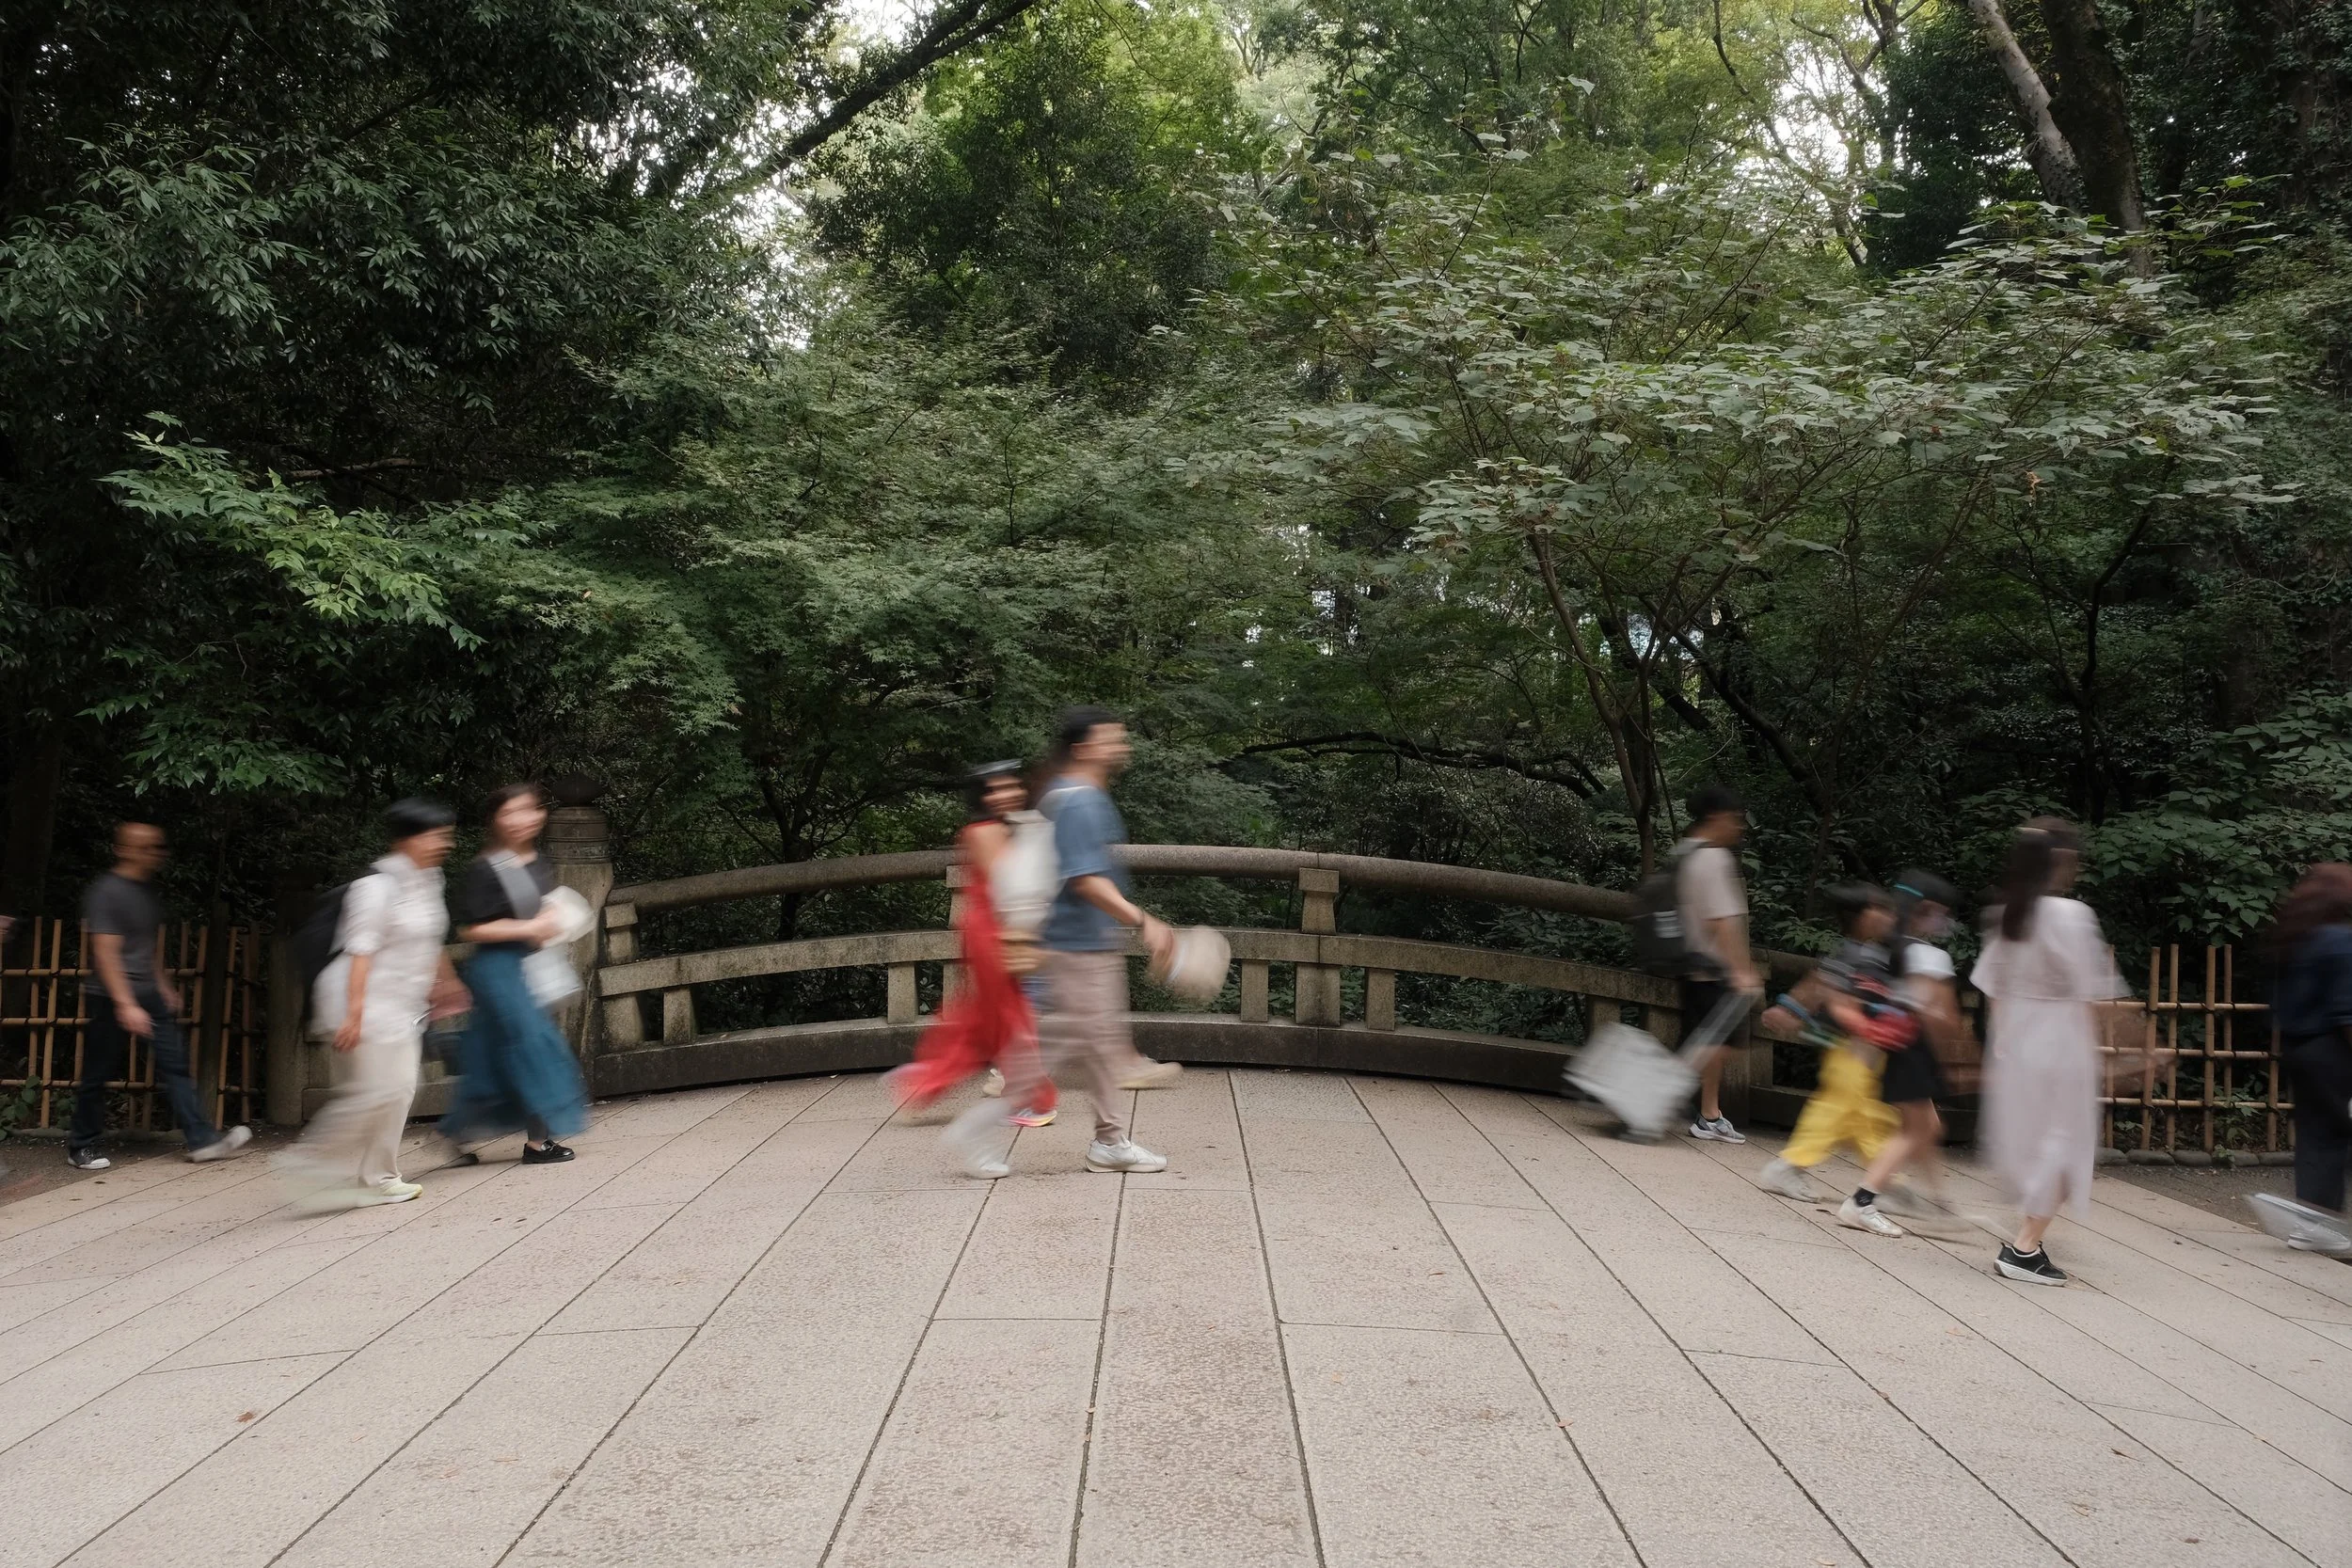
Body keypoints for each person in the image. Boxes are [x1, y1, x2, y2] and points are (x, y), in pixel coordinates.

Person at [282, 800, 467, 1208]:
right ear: (406, 841)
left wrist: (448, 982)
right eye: (435, 836)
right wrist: (354, 1014)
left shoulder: (430, 879)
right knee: (380, 1092)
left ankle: (373, 1176)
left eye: (445, 836)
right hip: (359, 1000)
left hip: (399, 1004)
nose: (444, 844)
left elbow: (431, 937)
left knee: (388, 1090)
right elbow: (360, 951)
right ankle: (313, 1165)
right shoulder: (375, 888)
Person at [1974, 816, 2127, 1286]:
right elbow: (2094, 993)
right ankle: (2024, 1247)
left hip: (2017, 1039)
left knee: (2037, 1140)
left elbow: (1992, 988)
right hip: (2061, 1039)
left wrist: (2002, 1045)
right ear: (2061, 860)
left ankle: (2027, 1240)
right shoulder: (2071, 916)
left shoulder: (2005, 916)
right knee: (2067, 1142)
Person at [887, 764, 1059, 1179]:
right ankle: (1034, 1097)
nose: (1005, 795)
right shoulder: (983, 831)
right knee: (1007, 1016)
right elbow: (1012, 885)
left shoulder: (1008, 826)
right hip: (994, 932)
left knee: (981, 1017)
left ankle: (924, 1081)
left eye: (1011, 786)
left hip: (1003, 929)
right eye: (994, 790)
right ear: (981, 796)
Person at [1036, 707, 1175, 1174]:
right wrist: (1145, 922)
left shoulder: (1075, 794)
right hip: (1077, 942)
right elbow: (1085, 880)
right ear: (1083, 748)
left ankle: (1109, 1141)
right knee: (1086, 1042)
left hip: (1080, 939)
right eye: (1111, 738)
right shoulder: (1078, 800)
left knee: (1094, 1042)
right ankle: (1106, 1141)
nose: (1121, 745)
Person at [68, 823, 250, 1170]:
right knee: (98, 1071)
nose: (152, 854)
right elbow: (105, 952)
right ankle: (80, 1146)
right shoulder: (107, 891)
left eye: (155, 847)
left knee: (175, 1064)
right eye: (144, 847)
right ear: (122, 849)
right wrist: (125, 1003)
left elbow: (146, 946)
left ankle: (202, 1141)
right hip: (109, 994)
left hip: (147, 992)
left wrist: (162, 984)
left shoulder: (147, 892)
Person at [439, 784, 588, 1164]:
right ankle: (539, 1144)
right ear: (495, 820)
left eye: (529, 810)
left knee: (491, 1057)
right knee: (534, 1046)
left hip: (531, 966)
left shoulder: (539, 862)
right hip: (496, 969)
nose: (522, 820)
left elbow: (544, 910)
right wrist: (528, 929)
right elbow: (470, 930)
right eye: (511, 812)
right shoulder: (485, 869)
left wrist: (553, 920)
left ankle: (457, 1132)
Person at [1755, 885, 1900, 1206]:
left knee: (1870, 1117)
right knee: (1843, 1112)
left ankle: (1883, 1182)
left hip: (1868, 1052)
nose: (1889, 916)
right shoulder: (1853, 954)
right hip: (1848, 1050)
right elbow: (1820, 984)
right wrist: (1789, 1008)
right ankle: (1789, 1166)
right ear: (1861, 917)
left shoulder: (1873, 954)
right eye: (1880, 909)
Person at [1851, 871, 1970, 1234]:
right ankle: (1863, 1200)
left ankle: (1939, 1202)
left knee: (1926, 1127)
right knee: (1916, 1132)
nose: (1944, 922)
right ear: (1928, 909)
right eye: (1941, 913)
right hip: (1915, 1049)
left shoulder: (1891, 947)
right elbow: (1944, 1017)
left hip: (1898, 1048)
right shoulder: (1930, 956)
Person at [2269, 863, 2352, 1243]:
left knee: (2316, 1133)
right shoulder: (2341, 940)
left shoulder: (2297, 939)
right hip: (2332, 1048)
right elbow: (2346, 1010)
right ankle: (2319, 1225)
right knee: (2333, 1134)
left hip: (2298, 1046)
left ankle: (2309, 1224)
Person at [1676, 784, 1762, 1143]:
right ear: (1716, 817)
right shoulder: (1714, 858)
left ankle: (1710, 1114)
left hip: (1692, 965)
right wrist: (1743, 971)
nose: (1739, 827)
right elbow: (1723, 921)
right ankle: (1648, 1092)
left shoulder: (1685, 852)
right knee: (1721, 1043)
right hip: (1714, 968)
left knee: (1709, 1041)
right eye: (1735, 819)